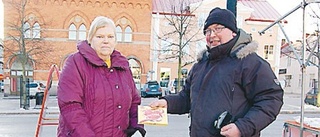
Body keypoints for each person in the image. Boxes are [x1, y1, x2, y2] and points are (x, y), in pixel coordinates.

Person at [150, 7, 284, 137]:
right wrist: (167, 103)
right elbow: (186, 98)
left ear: (233, 31)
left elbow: (271, 99)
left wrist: (242, 128)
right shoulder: (200, 66)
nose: (212, 34)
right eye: (208, 31)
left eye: (218, 28)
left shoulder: (250, 63)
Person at [57, 16, 145, 137]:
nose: (106, 41)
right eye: (100, 36)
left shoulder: (123, 66)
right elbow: (71, 107)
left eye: (110, 37)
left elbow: (134, 102)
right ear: (90, 39)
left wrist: (137, 128)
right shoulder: (75, 63)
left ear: (115, 40)